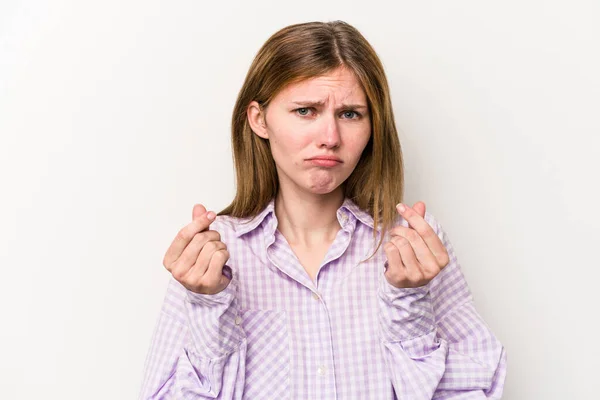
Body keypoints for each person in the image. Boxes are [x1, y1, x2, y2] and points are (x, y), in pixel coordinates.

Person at [138, 20, 507, 399]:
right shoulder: (212, 257)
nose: (330, 138)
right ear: (259, 119)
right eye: (305, 111)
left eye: (350, 114)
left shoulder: (414, 244)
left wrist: (409, 305)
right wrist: (208, 307)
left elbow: (475, 387)